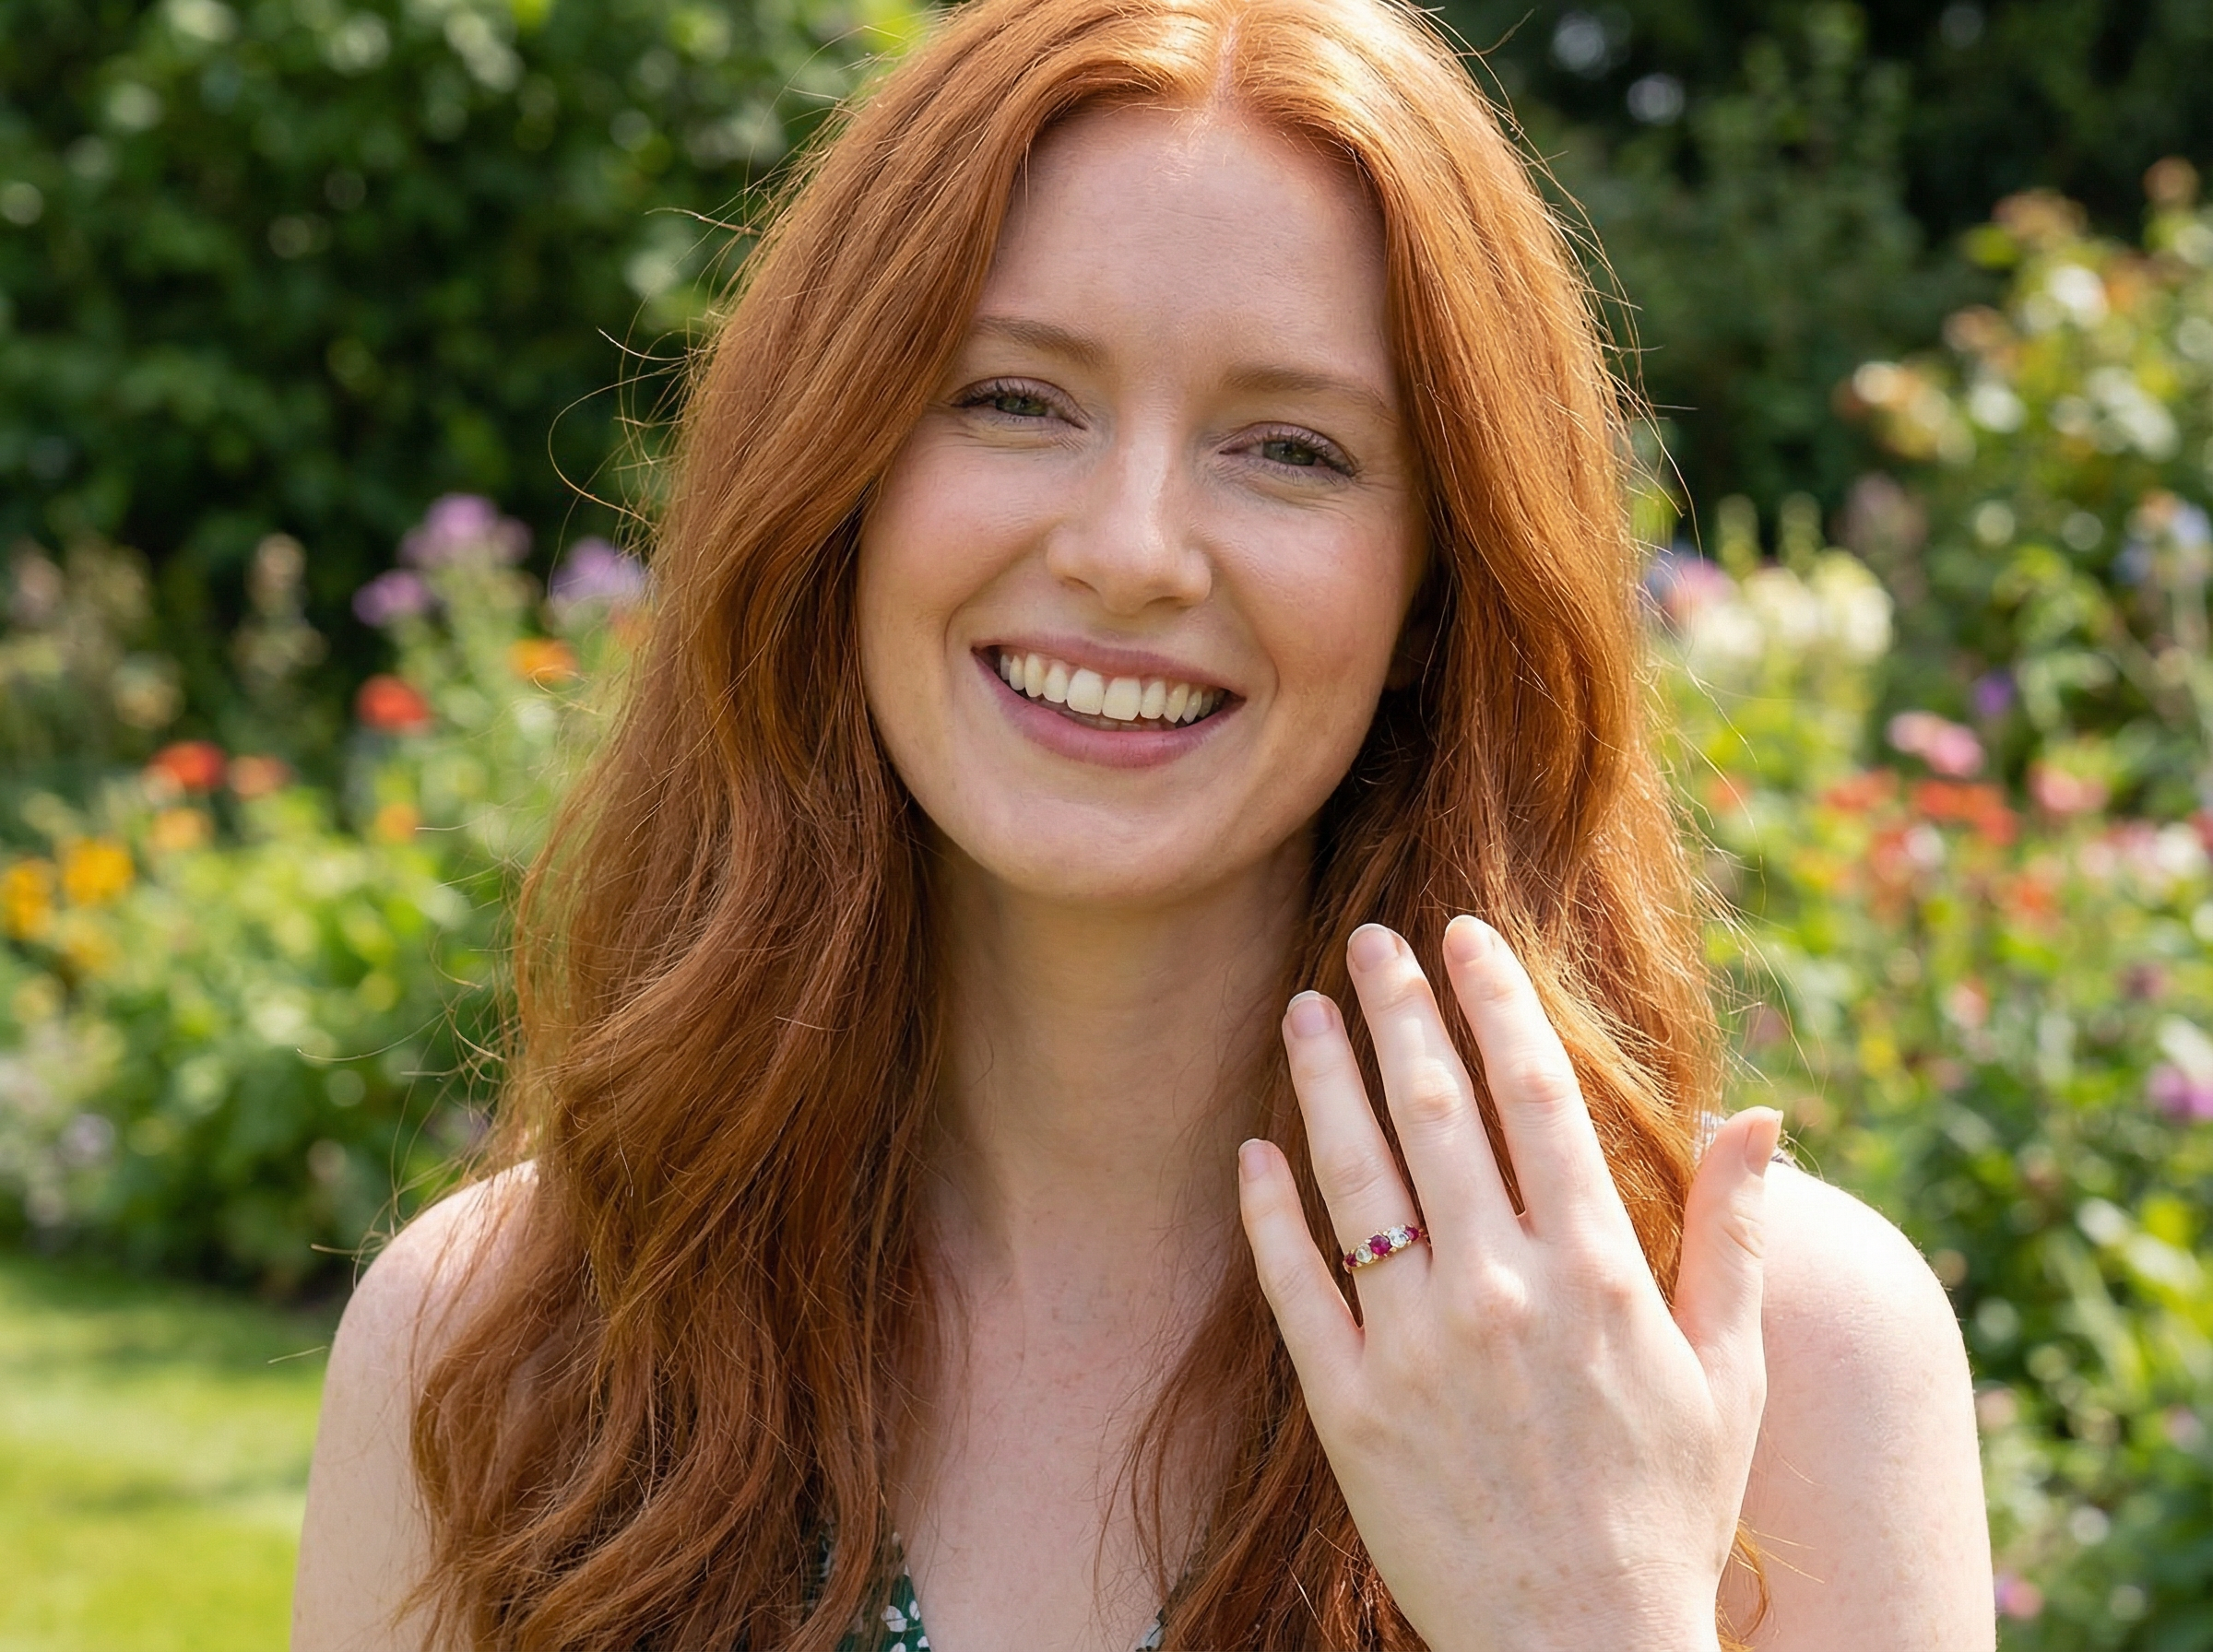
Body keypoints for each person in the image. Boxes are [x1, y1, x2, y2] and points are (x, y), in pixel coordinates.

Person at [291, 0, 1993, 1646]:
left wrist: (1591, 1618)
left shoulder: (1766, 1357)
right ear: (835, 489)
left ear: (1434, 595)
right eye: (1016, 400)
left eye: (1292, 449)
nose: (1131, 548)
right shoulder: (500, 1347)